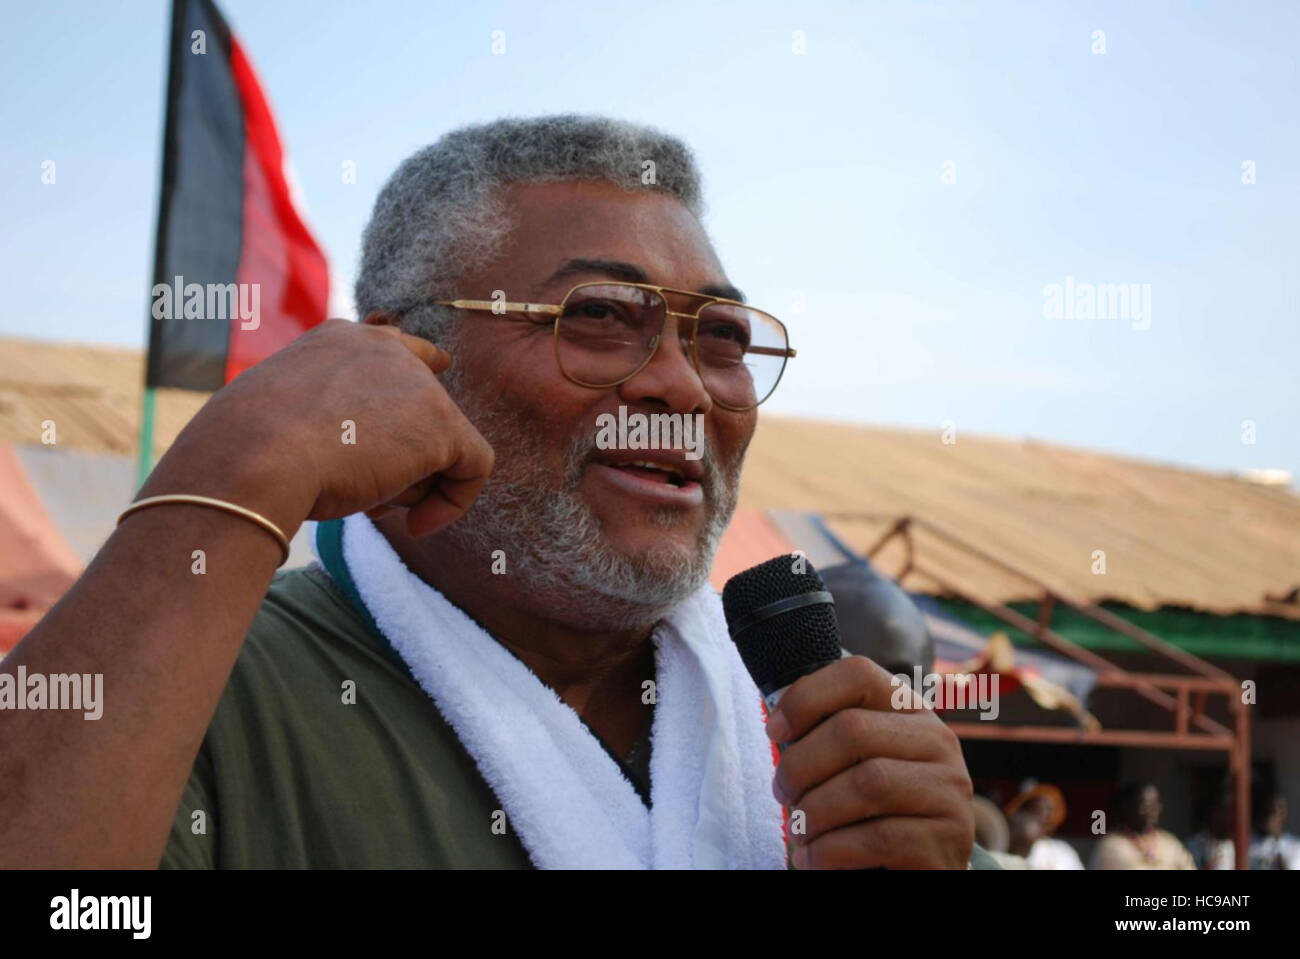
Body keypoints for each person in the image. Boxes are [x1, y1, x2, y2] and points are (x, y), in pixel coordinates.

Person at [0, 115, 978, 869]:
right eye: (598, 315)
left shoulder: (829, 747)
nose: (683, 385)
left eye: (720, 336)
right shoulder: (200, 694)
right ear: (403, 361)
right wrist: (227, 477)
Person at [1091, 783, 1195, 870]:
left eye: (1156, 806)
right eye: (1145, 806)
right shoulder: (1111, 845)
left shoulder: (1169, 842)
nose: (1152, 812)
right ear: (1128, 808)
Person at [1003, 781, 1084, 869]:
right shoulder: (1003, 847)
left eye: (1049, 810)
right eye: (1035, 808)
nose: (1043, 815)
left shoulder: (1061, 852)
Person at [1185, 787, 1235, 870]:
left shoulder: (1235, 845)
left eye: (1230, 814)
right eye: (1223, 812)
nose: (1228, 819)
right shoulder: (1194, 845)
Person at [1248, 789, 1300, 870]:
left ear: (1283, 815)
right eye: (1265, 812)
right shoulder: (1249, 842)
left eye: (1273, 811)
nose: (1268, 817)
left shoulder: (1294, 846)